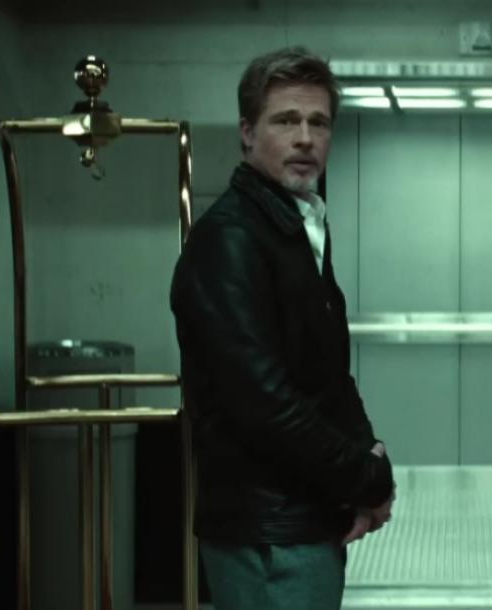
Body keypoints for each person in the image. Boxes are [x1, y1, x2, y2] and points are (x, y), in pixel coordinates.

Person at [170, 46, 395, 610]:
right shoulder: (231, 239)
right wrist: (367, 478)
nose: (305, 138)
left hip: (303, 519)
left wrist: (366, 452)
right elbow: (263, 405)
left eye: (319, 123)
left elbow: (328, 374)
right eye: (286, 121)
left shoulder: (295, 226)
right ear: (247, 133)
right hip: (267, 534)